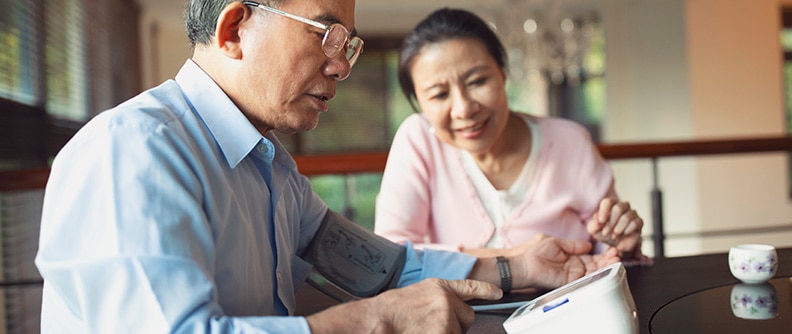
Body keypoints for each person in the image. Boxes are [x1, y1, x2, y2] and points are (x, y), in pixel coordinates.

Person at [34, 1, 619, 333]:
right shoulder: (134, 150)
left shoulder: (272, 172)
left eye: (350, 43)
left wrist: (521, 267)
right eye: (326, 35)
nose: (341, 65)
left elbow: (381, 271)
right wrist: (378, 322)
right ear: (235, 28)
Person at [375, 8, 650, 263]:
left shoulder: (571, 142)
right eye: (439, 94)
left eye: (477, 81)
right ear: (420, 103)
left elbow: (606, 252)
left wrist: (620, 246)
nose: (464, 109)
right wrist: (514, 258)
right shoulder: (418, 140)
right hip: (463, 314)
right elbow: (391, 254)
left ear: (503, 75)